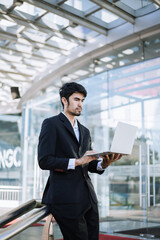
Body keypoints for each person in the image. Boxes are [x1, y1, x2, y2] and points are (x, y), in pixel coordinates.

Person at [38, 82, 122, 240]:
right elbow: (44, 161)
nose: (80, 104)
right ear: (64, 100)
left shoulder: (85, 131)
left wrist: (103, 163)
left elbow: (88, 164)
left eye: (82, 100)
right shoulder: (51, 124)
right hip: (65, 198)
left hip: (89, 197)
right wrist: (77, 161)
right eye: (76, 99)